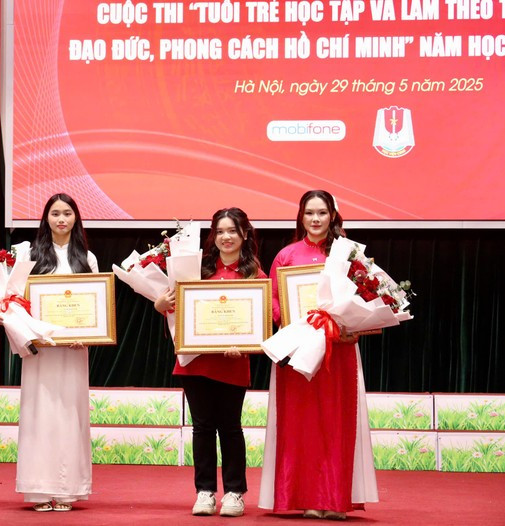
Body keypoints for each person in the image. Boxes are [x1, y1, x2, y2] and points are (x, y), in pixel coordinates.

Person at [258, 190, 378, 520]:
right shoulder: (286, 255)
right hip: (298, 354)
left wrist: (354, 325)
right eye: (309, 213)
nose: (315, 219)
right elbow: (275, 303)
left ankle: (337, 499)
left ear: (333, 216)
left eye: (322, 213)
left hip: (338, 352)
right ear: (300, 217)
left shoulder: (349, 255)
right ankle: (305, 497)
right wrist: (297, 323)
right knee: (302, 427)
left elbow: (368, 297)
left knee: (337, 424)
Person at [0, 193, 96, 512]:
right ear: (45, 218)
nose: (61, 219)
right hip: (41, 351)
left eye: (67, 213)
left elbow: (97, 307)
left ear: (76, 218)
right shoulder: (29, 258)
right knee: (40, 412)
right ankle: (38, 489)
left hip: (74, 351)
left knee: (70, 412)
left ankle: (67, 490)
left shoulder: (87, 259)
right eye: (55, 213)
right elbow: (12, 301)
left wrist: (85, 335)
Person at [154, 208, 267, 517]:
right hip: (195, 361)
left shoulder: (254, 274)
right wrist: (160, 304)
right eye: (219, 232)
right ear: (213, 237)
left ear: (245, 234)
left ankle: (234, 492)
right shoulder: (196, 270)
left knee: (230, 427)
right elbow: (174, 305)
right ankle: (205, 492)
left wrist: (245, 343)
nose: (226, 237)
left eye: (232, 231)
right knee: (202, 427)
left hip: (232, 363)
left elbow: (272, 314)